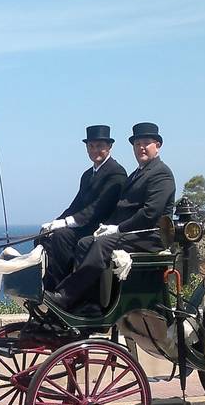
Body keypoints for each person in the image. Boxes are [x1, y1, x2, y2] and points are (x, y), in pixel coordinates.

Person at [44, 122, 176, 311]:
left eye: (146, 143)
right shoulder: (136, 174)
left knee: (100, 245)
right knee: (86, 242)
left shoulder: (161, 173)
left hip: (150, 236)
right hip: (133, 233)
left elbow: (150, 213)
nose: (141, 148)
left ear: (158, 145)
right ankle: (87, 302)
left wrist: (118, 229)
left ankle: (66, 295)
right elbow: (119, 209)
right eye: (137, 144)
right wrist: (106, 227)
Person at [40, 125, 127, 292]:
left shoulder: (116, 173)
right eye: (91, 146)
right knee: (44, 237)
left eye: (100, 146)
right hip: (84, 225)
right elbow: (76, 205)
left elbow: (98, 208)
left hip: (100, 228)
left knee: (62, 237)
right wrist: (55, 222)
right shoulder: (88, 175)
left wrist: (65, 224)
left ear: (109, 147)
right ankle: (48, 287)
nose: (95, 151)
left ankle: (65, 290)